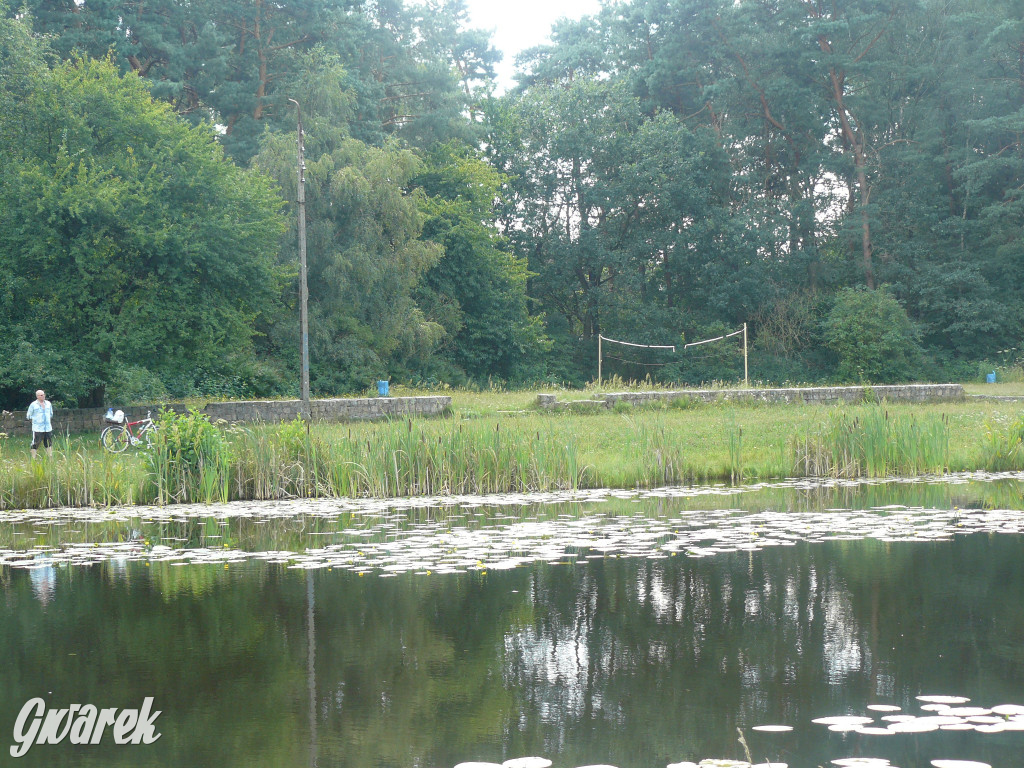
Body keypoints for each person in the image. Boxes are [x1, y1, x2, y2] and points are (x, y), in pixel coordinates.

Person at [26, 389, 53, 459]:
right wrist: (35, 421)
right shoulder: (33, 405)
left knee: (48, 443)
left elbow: (51, 414)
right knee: (35, 443)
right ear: (37, 396)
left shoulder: (48, 403)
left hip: (47, 428)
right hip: (37, 428)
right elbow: (28, 416)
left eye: (43, 394)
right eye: (41, 395)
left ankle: (50, 458)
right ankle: (33, 458)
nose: (43, 396)